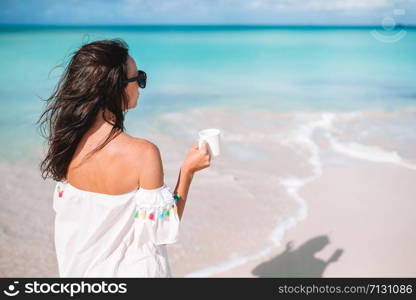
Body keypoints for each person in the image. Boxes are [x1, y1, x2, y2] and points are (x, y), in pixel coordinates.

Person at [36, 38, 211, 277]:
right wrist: (188, 171)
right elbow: (162, 228)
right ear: (114, 88)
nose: (140, 85)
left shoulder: (66, 142)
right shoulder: (143, 153)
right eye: (138, 78)